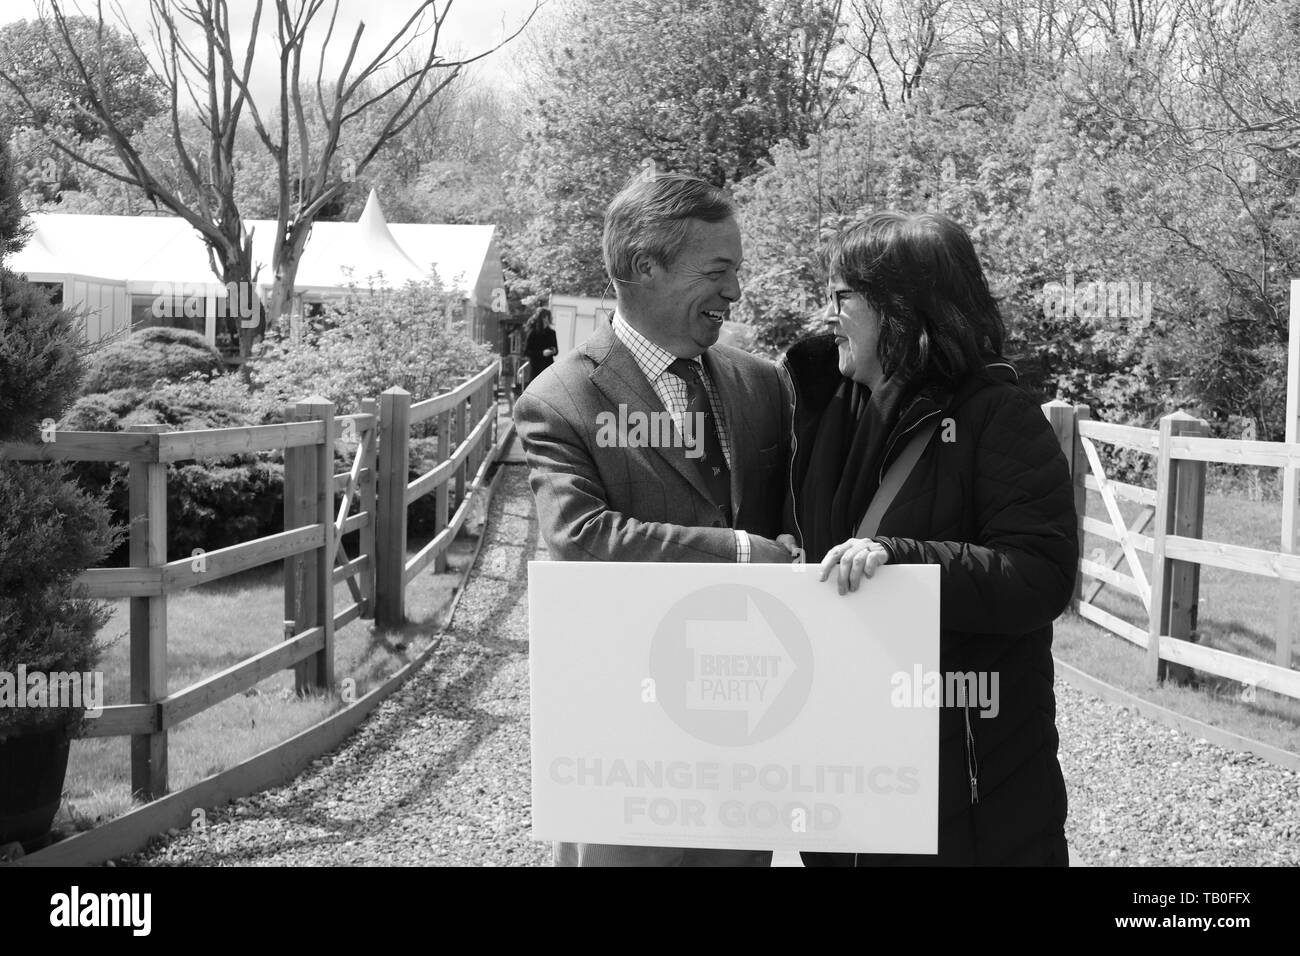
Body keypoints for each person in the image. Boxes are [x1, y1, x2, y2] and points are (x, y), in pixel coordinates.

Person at [513, 172, 797, 867]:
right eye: (719, 271)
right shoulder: (562, 397)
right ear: (645, 266)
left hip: (747, 719)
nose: (734, 292)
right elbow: (583, 537)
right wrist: (737, 552)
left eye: (737, 272)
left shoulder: (761, 383)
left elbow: (793, 520)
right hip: (622, 732)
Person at [782, 211, 1077, 866]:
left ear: (900, 309)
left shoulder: (998, 418)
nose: (826, 315)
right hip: (851, 772)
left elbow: (1040, 575)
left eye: (840, 298)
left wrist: (903, 561)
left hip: (969, 796)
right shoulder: (826, 407)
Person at [522, 307, 558, 388]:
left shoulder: (552, 333)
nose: (547, 319)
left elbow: (556, 351)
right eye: (545, 317)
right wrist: (542, 353)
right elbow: (526, 352)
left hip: (548, 367)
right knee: (535, 389)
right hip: (536, 368)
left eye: (548, 316)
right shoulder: (532, 333)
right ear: (541, 318)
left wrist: (554, 350)